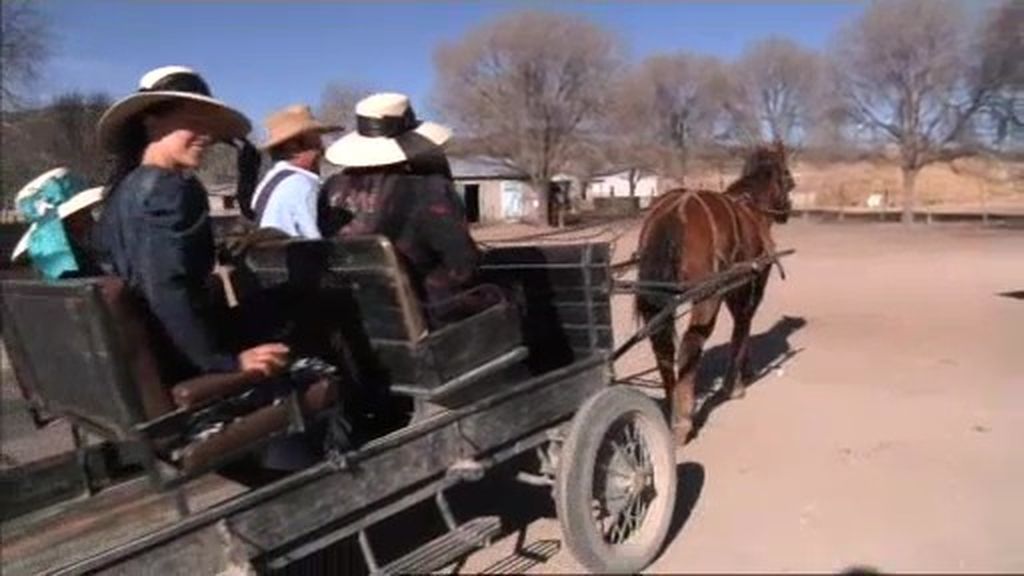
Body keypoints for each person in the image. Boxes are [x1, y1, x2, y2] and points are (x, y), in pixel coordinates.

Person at [94, 65, 289, 383]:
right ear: (151, 121)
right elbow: (166, 289)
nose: (207, 136)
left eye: (209, 126)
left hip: (147, 353)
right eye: (193, 122)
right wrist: (225, 362)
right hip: (177, 358)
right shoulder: (171, 189)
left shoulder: (121, 191)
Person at [320, 92, 489, 324]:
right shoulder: (429, 190)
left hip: (359, 314)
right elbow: (464, 267)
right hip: (428, 314)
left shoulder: (330, 189)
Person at [250, 105, 342, 238]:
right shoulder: (301, 184)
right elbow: (313, 240)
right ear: (293, 147)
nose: (321, 148)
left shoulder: (270, 180)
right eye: (315, 141)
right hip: (291, 256)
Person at [10, 168, 104, 279]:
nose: (91, 219)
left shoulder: (43, 252)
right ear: (70, 218)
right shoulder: (73, 260)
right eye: (84, 211)